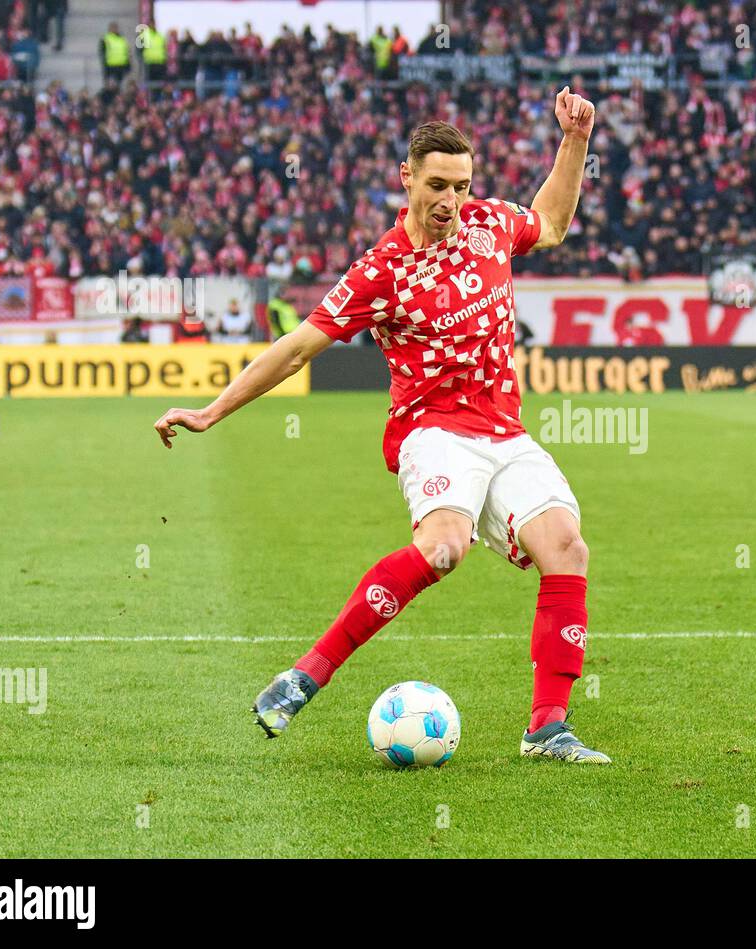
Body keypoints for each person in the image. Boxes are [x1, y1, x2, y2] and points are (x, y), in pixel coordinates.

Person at [152, 90, 611, 763]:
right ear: (407, 177)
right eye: (436, 185)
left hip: (505, 431)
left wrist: (574, 141)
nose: (450, 200)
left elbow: (551, 220)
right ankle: (306, 674)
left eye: (460, 185)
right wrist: (212, 409)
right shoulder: (383, 270)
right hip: (434, 430)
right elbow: (297, 347)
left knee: (567, 548)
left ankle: (547, 726)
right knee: (444, 545)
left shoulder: (489, 225)